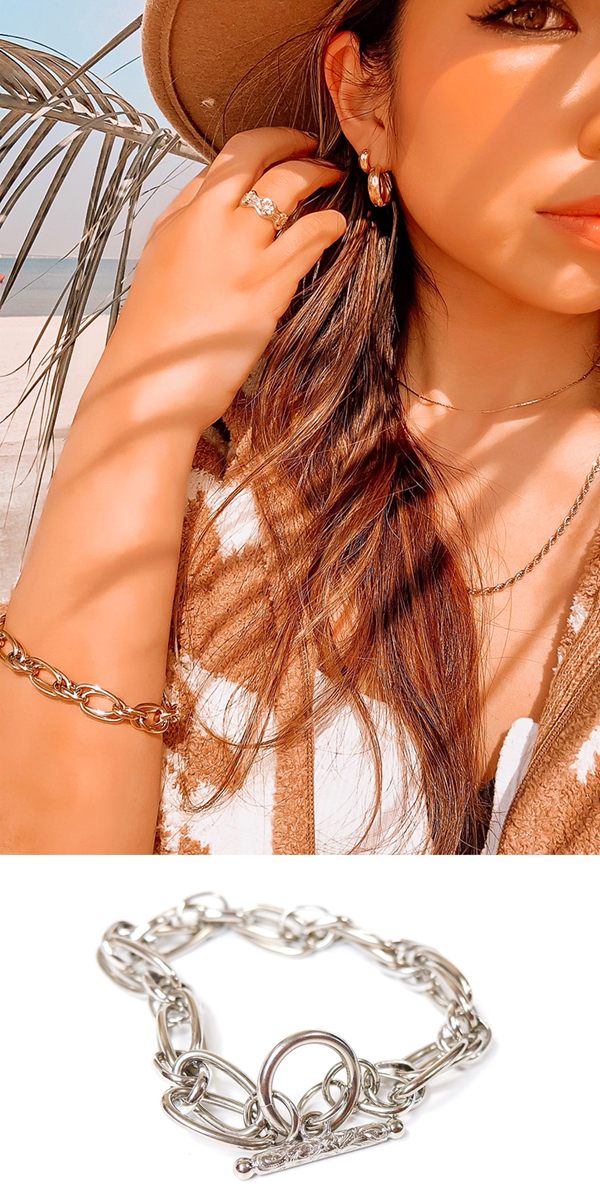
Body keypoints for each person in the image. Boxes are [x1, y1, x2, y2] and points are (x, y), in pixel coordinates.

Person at [1, 0, 600, 855]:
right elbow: (53, 902)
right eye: (531, 14)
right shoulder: (206, 478)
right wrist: (139, 405)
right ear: (363, 95)